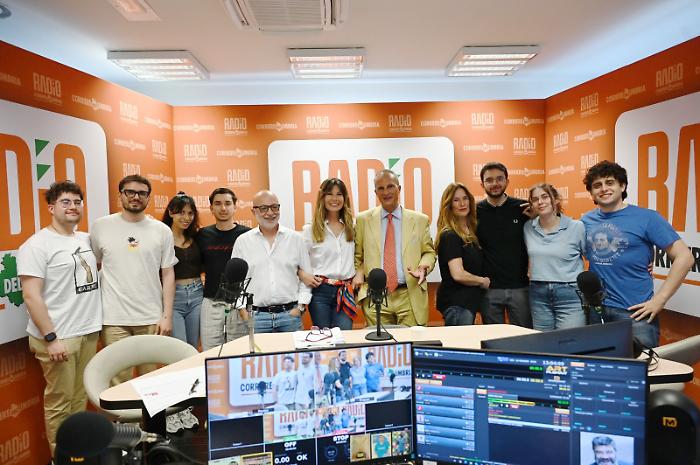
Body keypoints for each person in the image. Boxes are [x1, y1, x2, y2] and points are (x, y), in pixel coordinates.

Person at [17, 181, 102, 455]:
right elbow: (31, 296)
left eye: (77, 202)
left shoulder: (85, 239)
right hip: (59, 337)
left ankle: (78, 455)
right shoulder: (36, 245)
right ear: (51, 207)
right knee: (60, 403)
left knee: (79, 399)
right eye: (66, 202)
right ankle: (61, 458)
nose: (73, 206)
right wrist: (51, 338)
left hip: (88, 332)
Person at [582, 161, 693, 348]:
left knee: (641, 366)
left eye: (610, 182)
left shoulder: (647, 218)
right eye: (597, 185)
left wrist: (659, 300)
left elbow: (685, 257)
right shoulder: (586, 220)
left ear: (622, 186)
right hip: (597, 310)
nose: (604, 189)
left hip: (635, 313)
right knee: (601, 364)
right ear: (591, 193)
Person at [90, 175, 177, 383]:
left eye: (142, 193)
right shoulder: (101, 226)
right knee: (117, 382)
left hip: (151, 318)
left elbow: (168, 274)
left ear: (148, 197)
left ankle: (149, 409)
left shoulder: (162, 231)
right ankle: (122, 408)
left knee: (152, 381)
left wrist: (166, 316)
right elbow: (96, 265)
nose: (136, 197)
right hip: (113, 319)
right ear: (120, 195)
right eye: (130, 192)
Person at [353, 169, 436, 326]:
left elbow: (429, 252)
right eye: (381, 188)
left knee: (411, 341)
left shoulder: (419, 220)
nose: (386, 192)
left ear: (399, 188)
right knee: (378, 342)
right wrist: (359, 276)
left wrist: (423, 267)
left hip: (409, 295)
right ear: (375, 192)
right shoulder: (363, 220)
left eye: (390, 186)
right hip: (375, 297)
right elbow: (358, 256)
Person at [231, 190, 311, 332]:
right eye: (263, 208)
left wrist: (301, 307)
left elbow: (307, 277)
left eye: (274, 207)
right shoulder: (243, 242)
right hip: (256, 317)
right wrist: (242, 310)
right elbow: (235, 282)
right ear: (253, 211)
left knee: (292, 348)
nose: (270, 213)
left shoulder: (296, 239)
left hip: (290, 316)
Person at [476, 162, 532, 327]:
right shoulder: (474, 212)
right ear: (482, 184)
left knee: (523, 336)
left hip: (519, 287)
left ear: (507, 181)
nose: (495, 184)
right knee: (494, 337)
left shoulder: (523, 208)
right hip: (489, 289)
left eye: (499, 179)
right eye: (489, 180)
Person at [524, 183, 586, 331]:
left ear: (556, 199)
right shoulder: (528, 227)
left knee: (569, 341)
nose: (540, 202)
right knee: (543, 341)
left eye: (545, 197)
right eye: (535, 199)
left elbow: (591, 256)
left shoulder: (576, 226)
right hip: (538, 294)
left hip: (570, 293)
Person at [196, 187, 251, 350]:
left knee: (239, 352)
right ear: (211, 208)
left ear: (235, 206)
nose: (223, 208)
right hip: (211, 303)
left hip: (239, 304)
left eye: (227, 203)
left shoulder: (247, 235)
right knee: (211, 353)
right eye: (218, 204)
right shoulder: (202, 235)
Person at [300, 178, 357, 330]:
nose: (334, 199)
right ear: (322, 197)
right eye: (329, 194)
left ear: (345, 198)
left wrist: (360, 273)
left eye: (339, 194)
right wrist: (303, 274)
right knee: (324, 338)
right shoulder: (310, 229)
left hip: (345, 291)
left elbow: (361, 256)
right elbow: (297, 261)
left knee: (344, 336)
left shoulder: (353, 227)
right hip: (320, 292)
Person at [434, 182, 489, 326]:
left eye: (465, 198)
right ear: (449, 205)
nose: (462, 203)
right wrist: (482, 281)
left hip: (468, 303)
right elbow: (458, 274)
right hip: (457, 304)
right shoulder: (450, 235)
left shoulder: (471, 232)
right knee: (459, 341)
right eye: (456, 200)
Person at [162, 192, 202, 347]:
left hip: (197, 295)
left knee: (193, 347)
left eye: (190, 213)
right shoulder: (161, 238)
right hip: (174, 298)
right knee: (180, 348)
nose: (186, 218)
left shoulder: (196, 237)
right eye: (181, 212)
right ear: (171, 213)